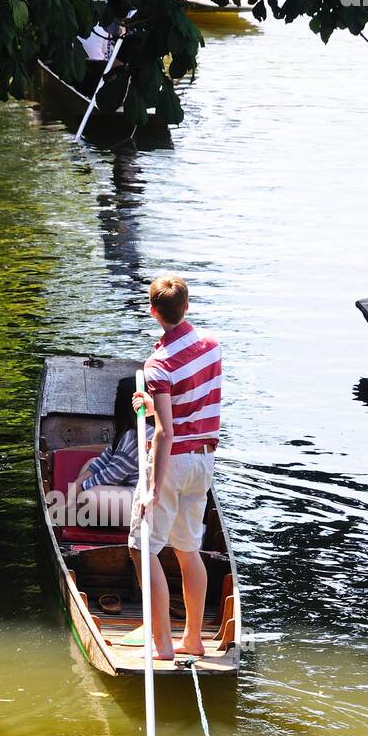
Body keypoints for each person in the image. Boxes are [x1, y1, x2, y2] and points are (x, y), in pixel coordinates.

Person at [129, 274, 222, 660]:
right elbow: (191, 405)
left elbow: (165, 434)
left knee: (142, 548)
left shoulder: (158, 365)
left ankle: (163, 644)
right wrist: (152, 406)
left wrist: (153, 486)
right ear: (186, 306)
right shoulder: (212, 346)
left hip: (173, 461)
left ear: (153, 311)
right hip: (203, 460)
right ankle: (194, 639)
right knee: (188, 549)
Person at [74, 376, 152, 529]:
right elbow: (105, 459)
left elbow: (112, 476)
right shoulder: (129, 433)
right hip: (132, 491)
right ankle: (101, 515)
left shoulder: (137, 436)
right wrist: (76, 487)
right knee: (92, 463)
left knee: (87, 498)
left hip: (143, 499)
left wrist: (80, 490)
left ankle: (120, 522)